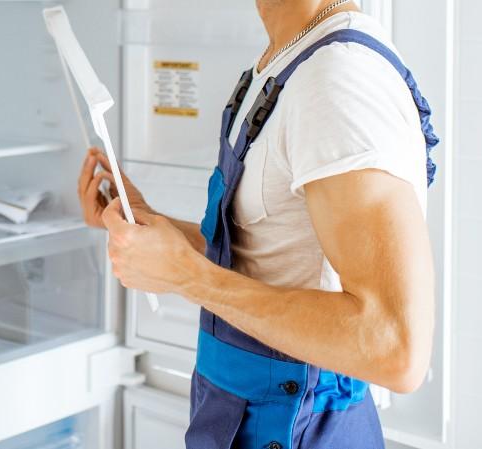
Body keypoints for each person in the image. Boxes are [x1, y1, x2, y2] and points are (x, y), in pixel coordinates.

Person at [77, 1, 438, 448]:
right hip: (236, 415)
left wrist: (186, 276)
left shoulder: (338, 79)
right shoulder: (284, 59)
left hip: (298, 426)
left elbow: (394, 349)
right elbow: (266, 255)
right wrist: (147, 225)